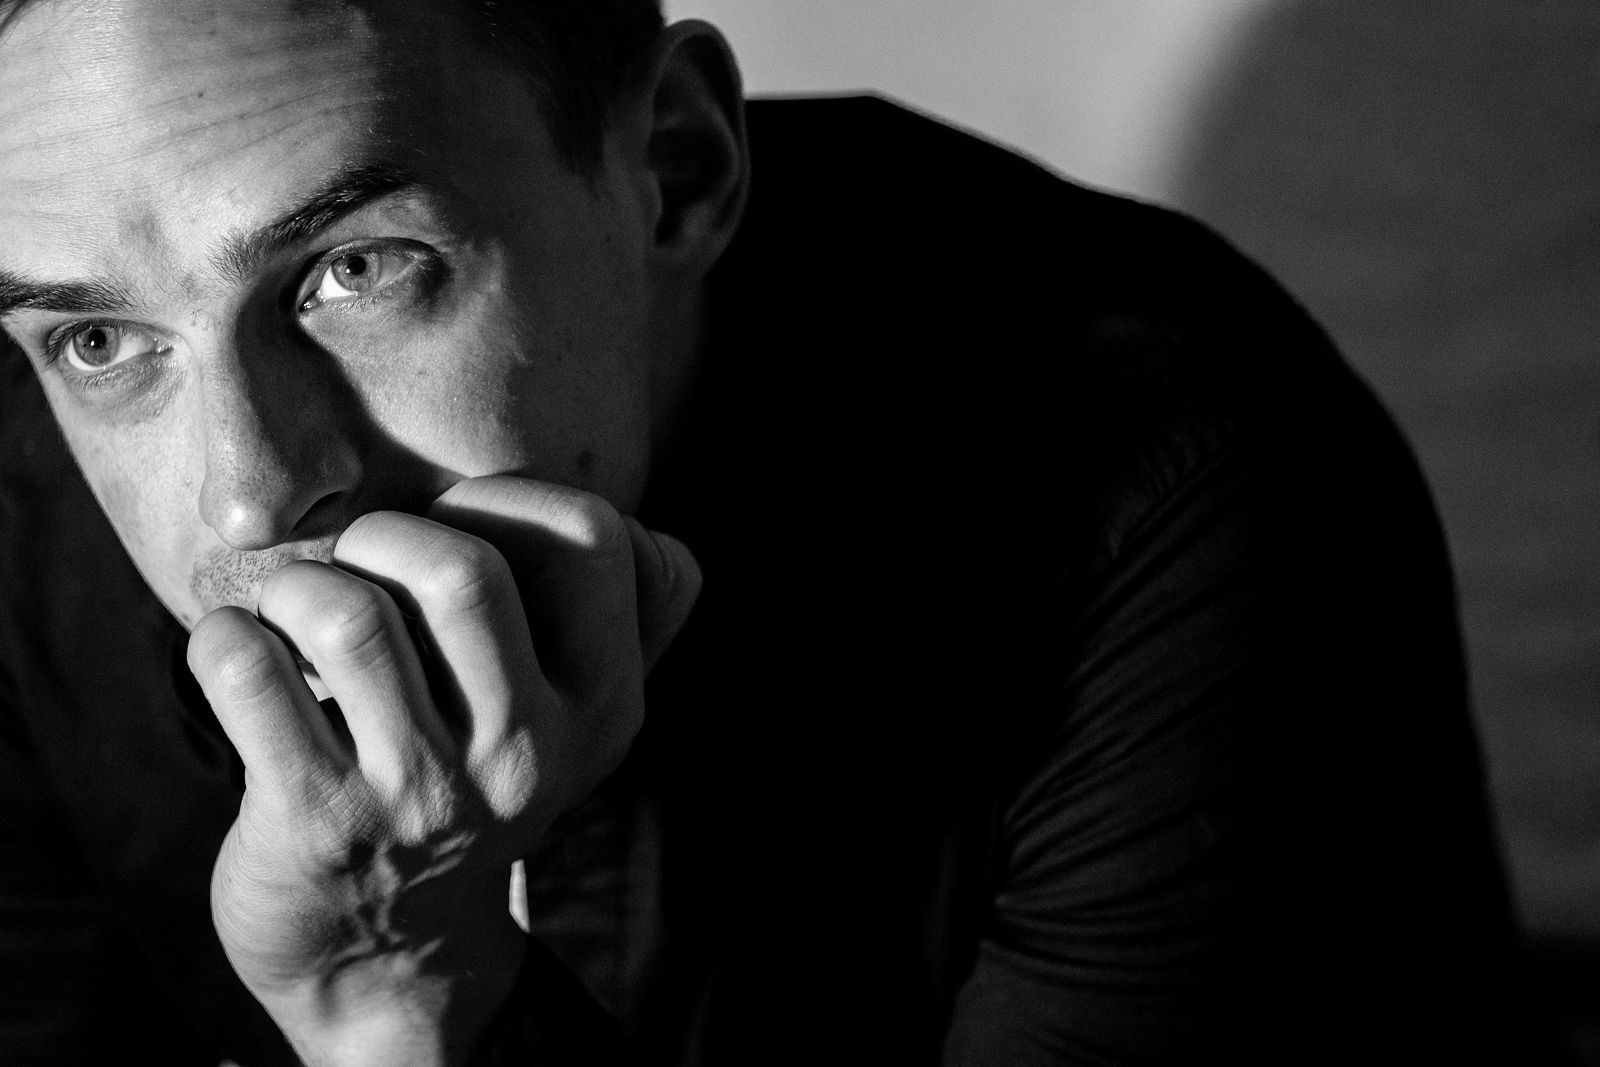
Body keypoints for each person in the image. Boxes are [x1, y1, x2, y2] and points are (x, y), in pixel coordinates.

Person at [0, 0, 1550, 1063]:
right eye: (98, 342)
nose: (245, 497)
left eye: (353, 270)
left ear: (675, 169)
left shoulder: (1181, 492)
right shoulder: (24, 510)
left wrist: (396, 993)